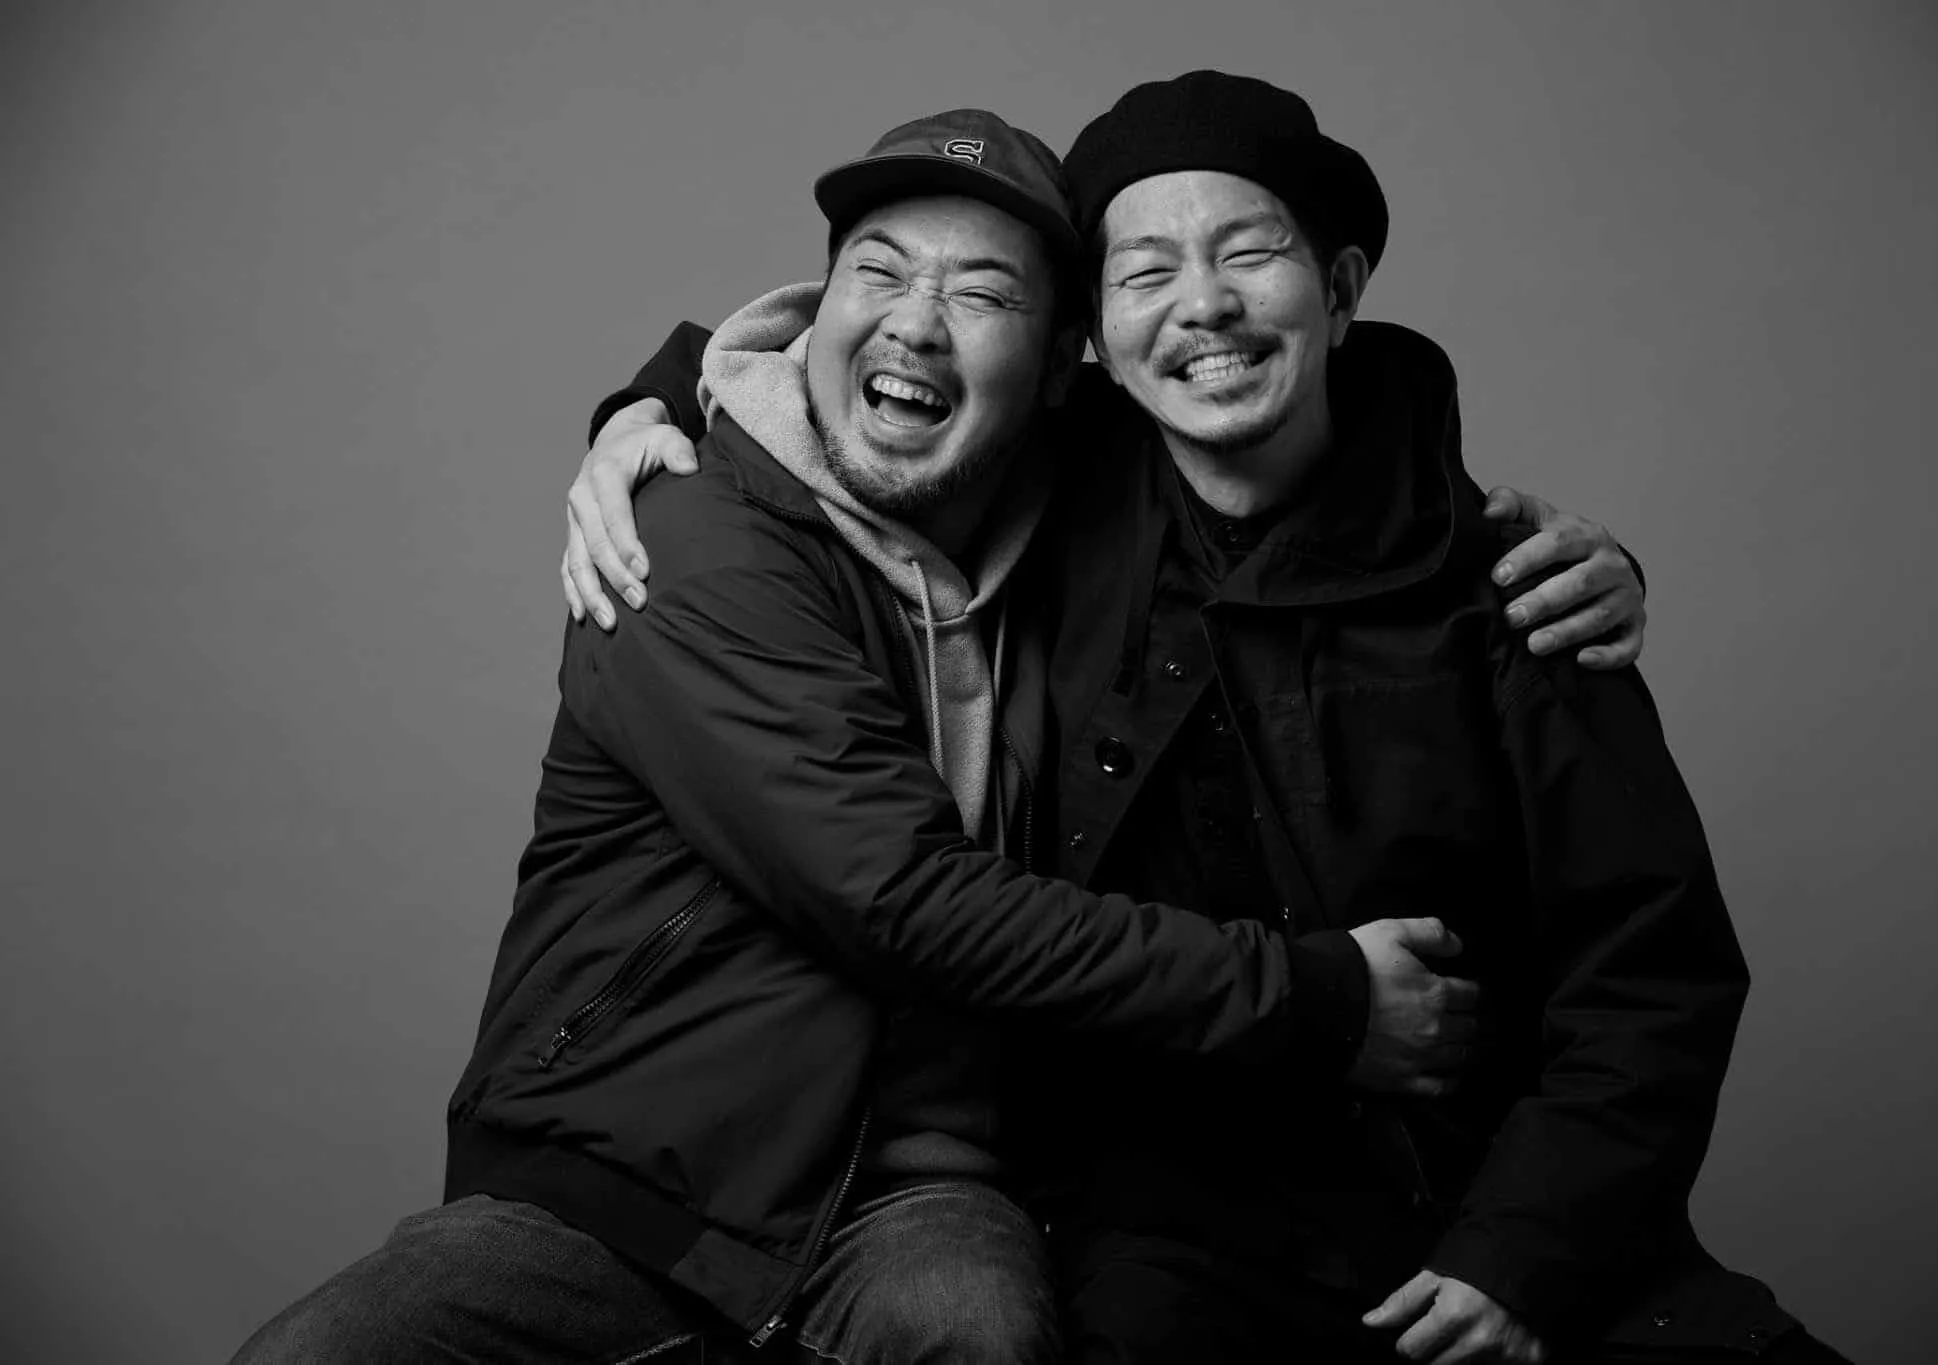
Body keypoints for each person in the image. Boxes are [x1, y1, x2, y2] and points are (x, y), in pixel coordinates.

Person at [565, 72, 1849, 1365]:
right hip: (1171, 1233)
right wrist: (647, 411)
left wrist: (1522, 1257)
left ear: (1339, 290)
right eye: (1145, 273)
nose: (1203, 306)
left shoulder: (1507, 590)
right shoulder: (1042, 510)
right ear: (1095, 337)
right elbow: (845, 391)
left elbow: (1651, 973)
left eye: (1248, 253)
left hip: (1485, 1199)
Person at [233, 108, 1453, 1365]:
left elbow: (1292, 396)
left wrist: (1501, 540)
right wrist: (1317, 999)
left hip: (922, 1190)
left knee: (981, 1339)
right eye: (879, 273)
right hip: (621, 1181)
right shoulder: (684, 541)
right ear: (813, 314)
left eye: (981, 294)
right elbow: (898, 896)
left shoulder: (1076, 512)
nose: (916, 323)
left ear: (1058, 371)